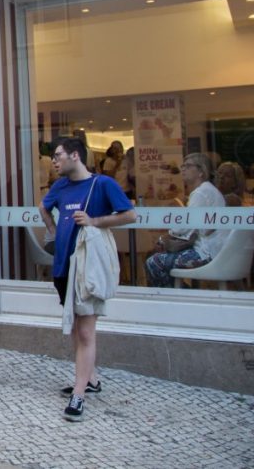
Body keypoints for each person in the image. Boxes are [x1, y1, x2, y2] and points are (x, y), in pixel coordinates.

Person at [39, 137, 135, 422]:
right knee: (74, 325)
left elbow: (130, 215)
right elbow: (44, 208)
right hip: (63, 266)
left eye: (58, 155)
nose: (54, 161)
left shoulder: (103, 184)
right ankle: (90, 379)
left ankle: (79, 394)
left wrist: (95, 221)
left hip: (87, 267)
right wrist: (54, 232)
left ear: (75, 155)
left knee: (85, 331)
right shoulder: (60, 186)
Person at [145, 153, 228, 287]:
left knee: (153, 262)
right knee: (158, 258)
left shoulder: (201, 193)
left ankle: (175, 299)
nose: (183, 169)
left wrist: (166, 235)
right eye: (183, 165)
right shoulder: (208, 190)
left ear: (201, 172)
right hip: (217, 250)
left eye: (188, 166)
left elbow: (184, 226)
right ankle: (181, 295)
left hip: (206, 253)